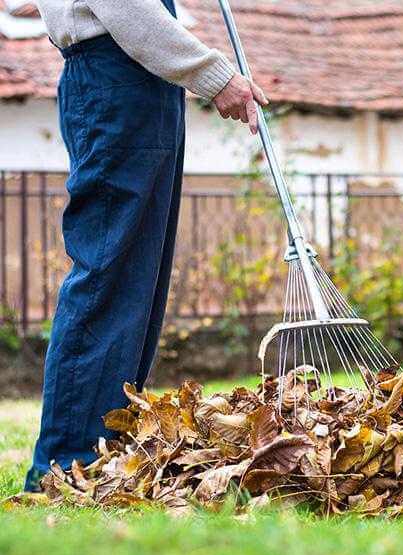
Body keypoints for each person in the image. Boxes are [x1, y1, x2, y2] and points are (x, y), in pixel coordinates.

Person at [25, 0, 268, 492]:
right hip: (115, 79)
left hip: (140, 84)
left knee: (137, 281)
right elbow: (124, 5)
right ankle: (65, 463)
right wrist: (215, 76)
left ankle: (104, 453)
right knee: (108, 274)